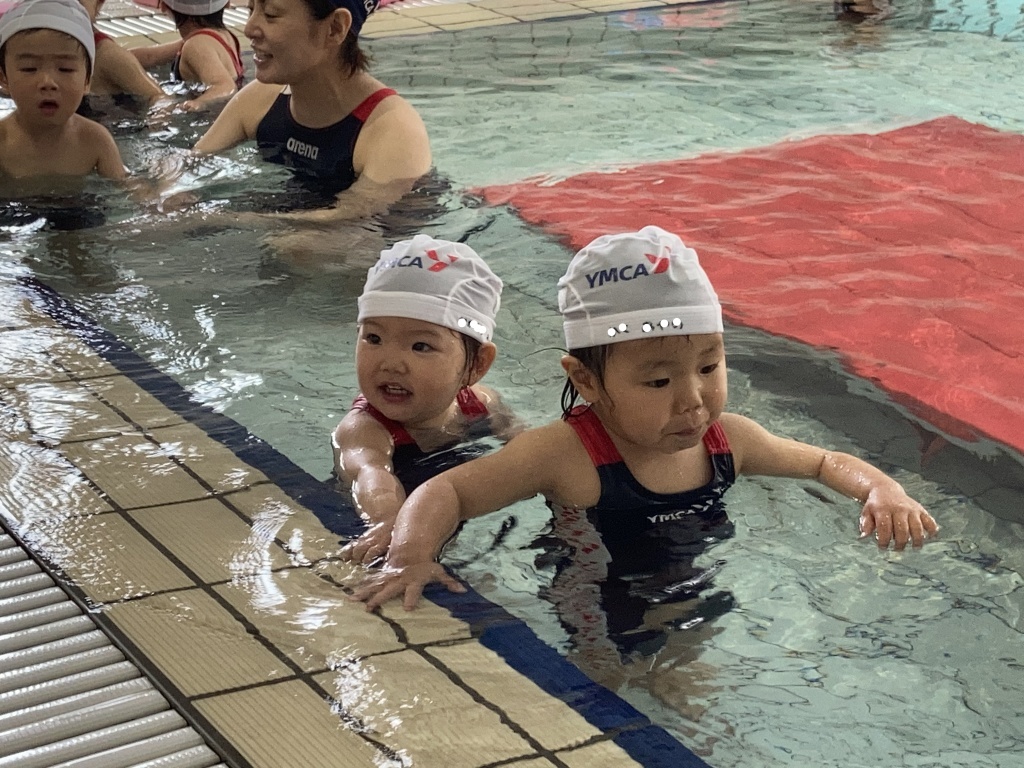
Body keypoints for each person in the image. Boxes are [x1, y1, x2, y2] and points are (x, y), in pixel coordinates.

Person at [352, 226, 940, 615]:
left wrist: (881, 490)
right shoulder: (564, 455)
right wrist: (410, 555)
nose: (693, 400)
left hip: (691, 572)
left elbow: (822, 461)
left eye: (708, 367)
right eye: (658, 382)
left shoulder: (729, 440)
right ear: (586, 381)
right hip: (589, 589)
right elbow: (446, 490)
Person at [333, 235, 521, 565]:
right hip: (382, 520)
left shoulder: (481, 402)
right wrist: (388, 522)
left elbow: (525, 446)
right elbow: (370, 474)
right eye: (373, 338)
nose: (391, 363)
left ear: (477, 365)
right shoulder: (364, 428)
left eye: (420, 346)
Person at [192, 0, 431, 223]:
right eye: (250, 9)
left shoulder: (393, 130)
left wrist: (217, 219)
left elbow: (347, 222)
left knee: (299, 246)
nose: (249, 28)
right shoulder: (261, 99)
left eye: (271, 14)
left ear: (335, 28)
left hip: (369, 239)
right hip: (290, 215)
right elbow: (190, 164)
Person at [0, 0, 125, 182]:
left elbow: (127, 188)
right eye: (29, 68)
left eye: (65, 69)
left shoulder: (95, 141)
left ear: (87, 81)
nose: (47, 82)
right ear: (3, 78)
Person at [129, 0, 243, 111]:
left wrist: (199, 103)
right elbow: (151, 57)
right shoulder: (221, 37)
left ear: (164, 7)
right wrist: (120, 59)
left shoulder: (196, 46)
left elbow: (225, 86)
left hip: (211, 115)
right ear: (227, 4)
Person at [76, 0, 166, 105]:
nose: (66, 11)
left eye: (76, 3)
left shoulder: (108, 55)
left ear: (100, 3)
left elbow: (159, 97)